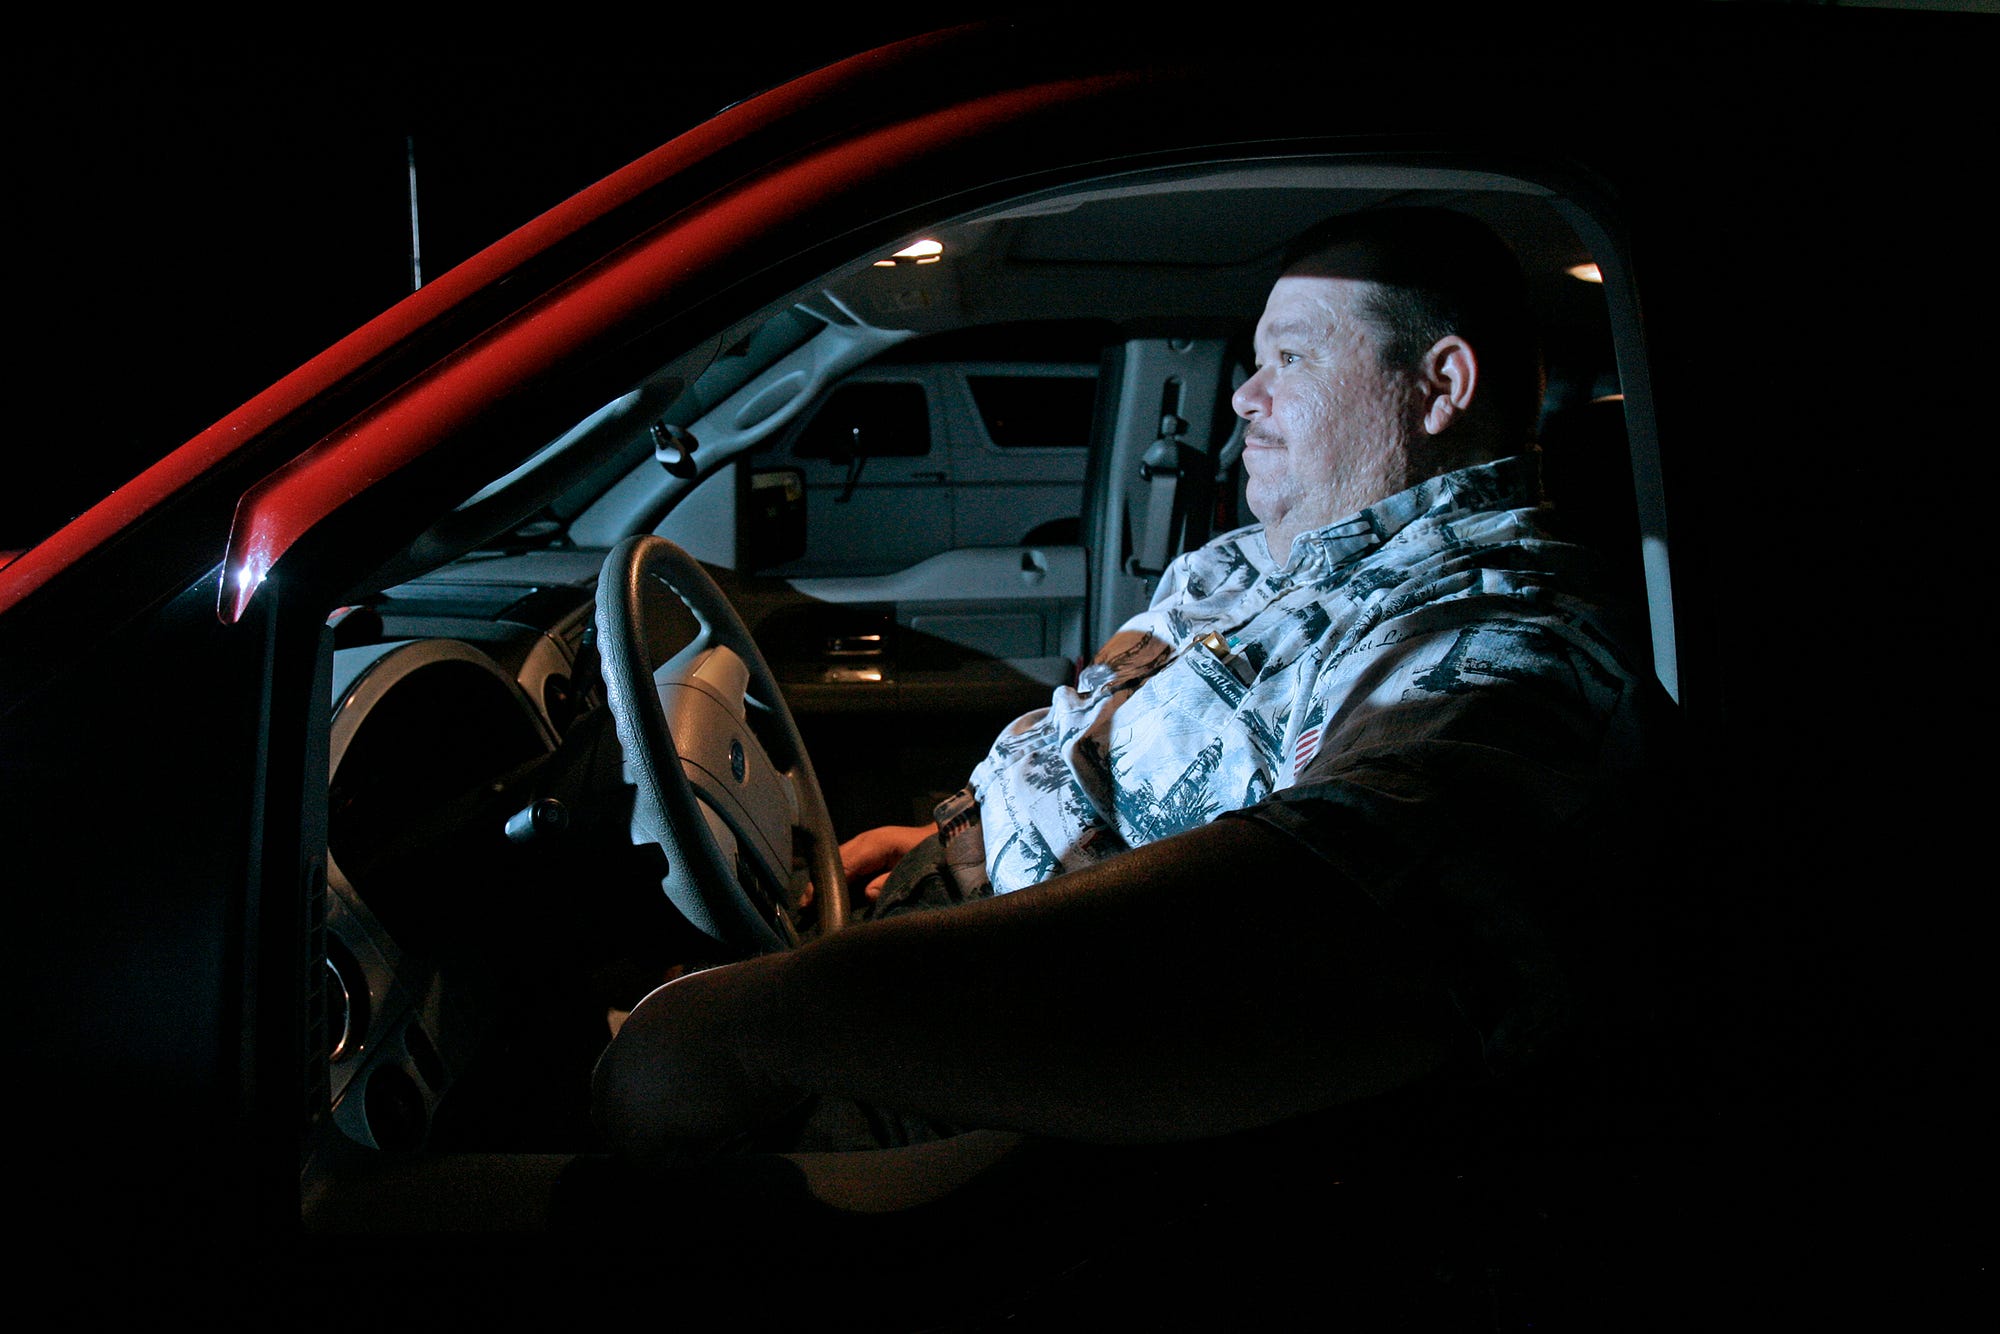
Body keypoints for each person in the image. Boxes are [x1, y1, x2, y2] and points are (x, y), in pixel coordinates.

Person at [591, 208, 1672, 1161]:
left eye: (1290, 358)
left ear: (1440, 386)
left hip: (1002, 1085)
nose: (1243, 395)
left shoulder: (1496, 639)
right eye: (1253, 359)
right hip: (934, 951)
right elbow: (1095, 739)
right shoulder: (1254, 561)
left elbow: (1314, 931)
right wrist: (945, 841)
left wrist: (779, 1021)